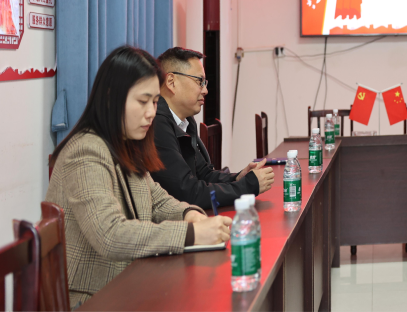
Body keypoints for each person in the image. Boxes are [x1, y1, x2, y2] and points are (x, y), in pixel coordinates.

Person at [46, 46, 232, 308]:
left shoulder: (125, 143)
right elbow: (111, 234)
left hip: (128, 282)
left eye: (155, 102)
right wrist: (190, 233)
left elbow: (156, 200)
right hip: (91, 298)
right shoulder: (85, 151)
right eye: (143, 102)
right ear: (112, 98)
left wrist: (189, 214)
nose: (151, 112)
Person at [151, 47, 274, 209]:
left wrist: (238, 178)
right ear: (171, 82)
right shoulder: (157, 124)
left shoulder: (185, 121)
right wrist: (247, 186)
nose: (205, 90)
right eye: (199, 81)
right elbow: (188, 192)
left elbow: (204, 174)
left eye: (205, 83)